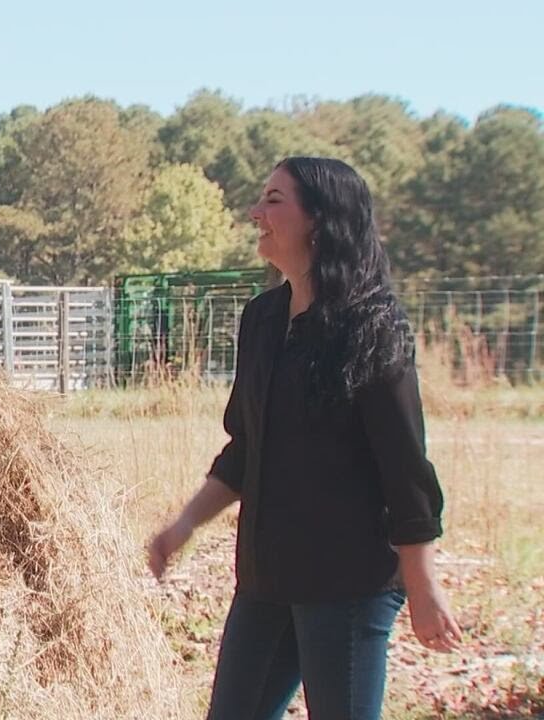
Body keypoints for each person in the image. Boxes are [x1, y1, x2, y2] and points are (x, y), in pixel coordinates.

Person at [146, 157, 460, 720]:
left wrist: (422, 585)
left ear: (320, 219)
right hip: (266, 577)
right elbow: (246, 446)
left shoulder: (371, 326)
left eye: (272, 200)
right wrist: (183, 525)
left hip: (348, 583)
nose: (255, 212)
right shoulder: (262, 320)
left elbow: (406, 468)